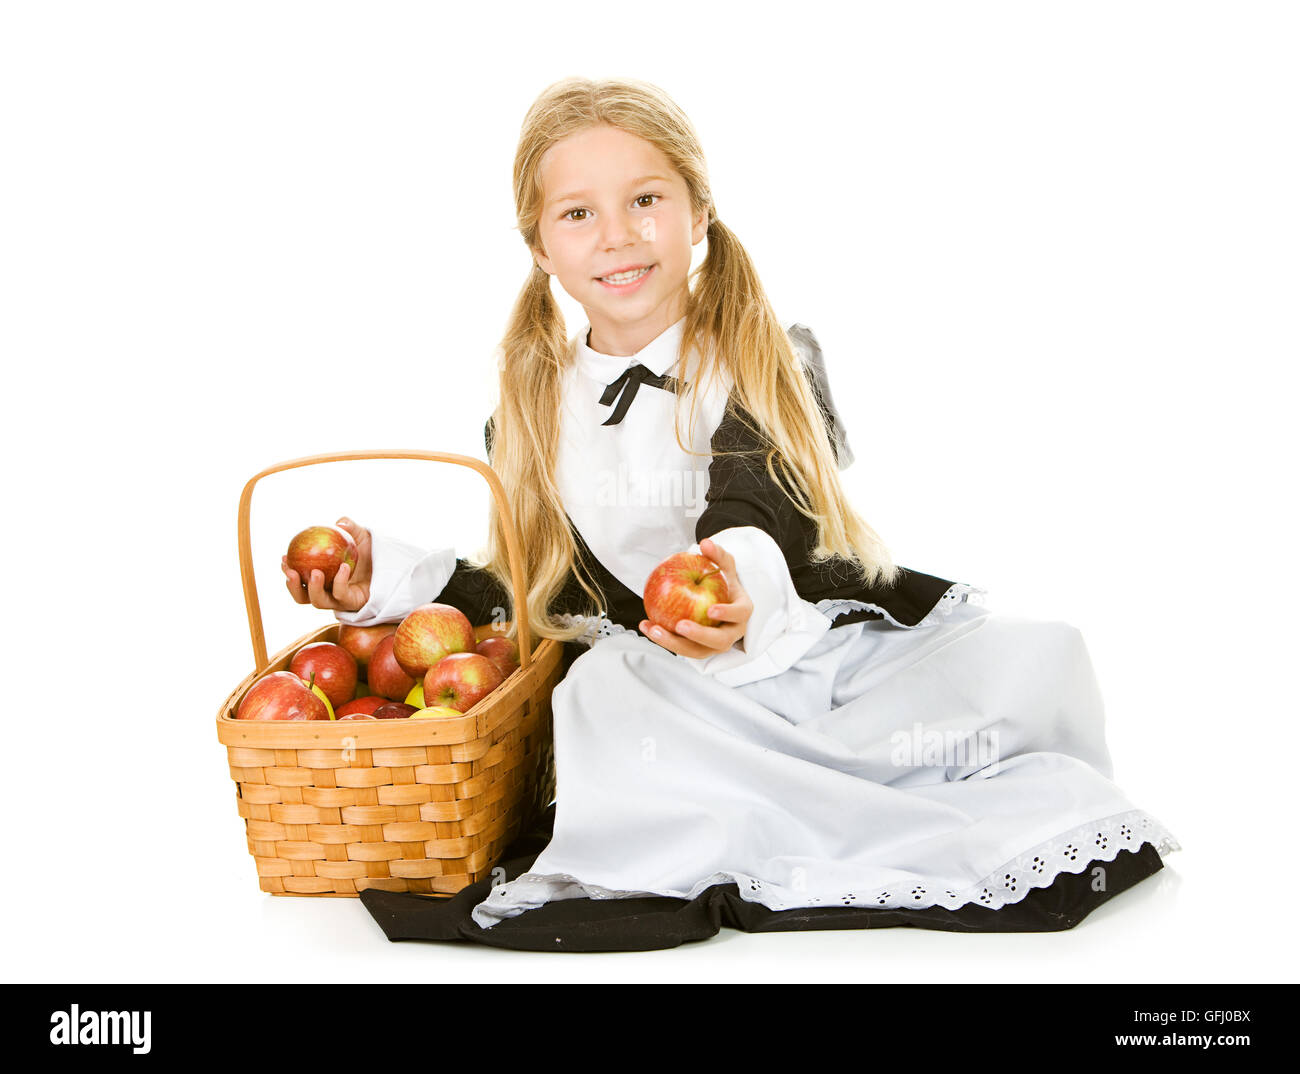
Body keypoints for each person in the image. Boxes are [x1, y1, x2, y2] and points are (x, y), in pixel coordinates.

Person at [282, 76, 1180, 942]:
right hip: (675, 685)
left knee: (1041, 657)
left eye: (646, 200)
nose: (618, 236)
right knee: (601, 690)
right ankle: (766, 806)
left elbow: (759, 501)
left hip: (799, 647)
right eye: (579, 213)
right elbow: (537, 588)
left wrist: (734, 577)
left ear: (699, 212)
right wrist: (388, 577)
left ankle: (822, 794)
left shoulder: (766, 358)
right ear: (541, 247)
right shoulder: (530, 413)